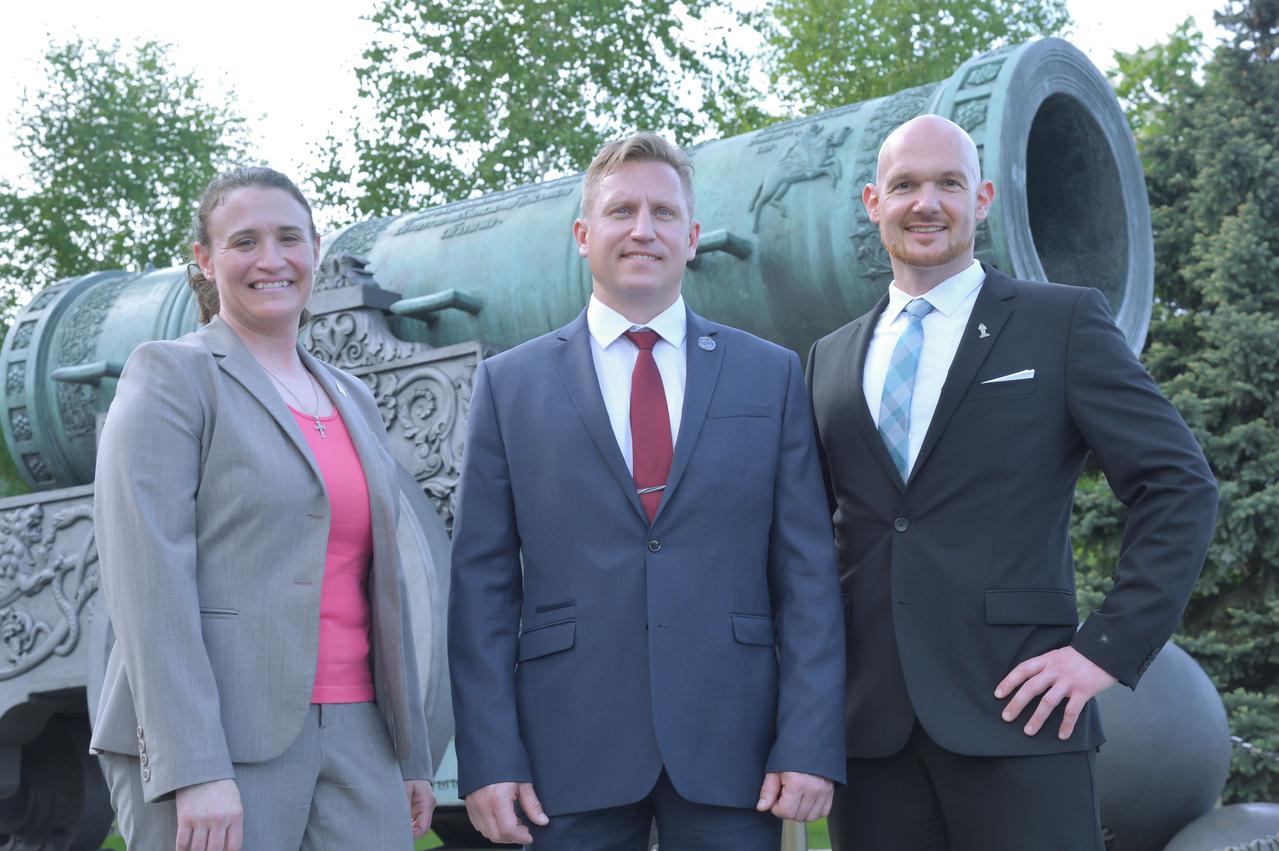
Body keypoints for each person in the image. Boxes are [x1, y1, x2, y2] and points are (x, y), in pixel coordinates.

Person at [805, 114, 1219, 849]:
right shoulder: (827, 358)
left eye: (947, 184)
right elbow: (805, 536)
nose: (923, 203)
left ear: (983, 197)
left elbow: (1178, 484)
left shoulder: (1059, 322)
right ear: (872, 202)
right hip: (867, 737)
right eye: (903, 185)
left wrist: (1103, 650)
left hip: (1021, 718)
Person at [448, 132, 845, 850]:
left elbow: (808, 574)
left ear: (691, 237)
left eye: (663, 213)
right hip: (563, 752)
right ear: (582, 233)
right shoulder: (510, 385)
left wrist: (809, 738)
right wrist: (488, 756)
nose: (642, 229)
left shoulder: (770, 375)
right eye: (620, 210)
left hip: (735, 748)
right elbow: (481, 587)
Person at [89, 167, 435, 851]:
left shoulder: (352, 398)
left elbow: (385, 584)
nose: (271, 260)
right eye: (244, 241)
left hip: (361, 736)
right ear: (205, 260)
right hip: (217, 742)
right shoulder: (170, 374)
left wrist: (410, 752)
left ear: (313, 249)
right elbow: (147, 584)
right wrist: (194, 766)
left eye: (289, 238)